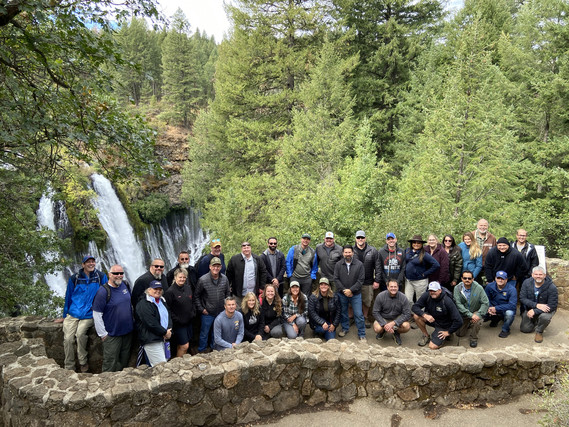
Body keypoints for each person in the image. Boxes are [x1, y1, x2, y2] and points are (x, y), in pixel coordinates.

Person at [56, 255, 108, 372]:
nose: (91, 264)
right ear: (83, 265)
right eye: (88, 262)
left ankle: (83, 362)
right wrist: (65, 316)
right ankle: (69, 366)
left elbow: (106, 293)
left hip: (89, 313)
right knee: (68, 339)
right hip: (73, 313)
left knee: (80, 334)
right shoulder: (75, 278)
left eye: (93, 262)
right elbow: (68, 297)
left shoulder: (100, 277)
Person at [92, 264, 133, 372]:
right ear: (109, 274)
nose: (119, 275)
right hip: (112, 334)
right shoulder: (103, 292)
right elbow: (97, 314)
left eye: (121, 273)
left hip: (127, 332)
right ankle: (106, 385)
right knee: (110, 362)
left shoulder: (125, 285)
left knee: (124, 361)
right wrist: (103, 334)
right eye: (115, 273)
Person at [194, 257, 231, 353]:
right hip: (207, 313)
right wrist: (202, 309)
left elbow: (227, 293)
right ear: (210, 267)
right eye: (214, 266)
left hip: (220, 312)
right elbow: (196, 296)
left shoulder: (225, 279)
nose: (216, 268)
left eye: (218, 266)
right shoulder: (203, 280)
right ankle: (201, 351)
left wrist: (226, 307)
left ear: (221, 267)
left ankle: (214, 349)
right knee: (204, 333)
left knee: (216, 333)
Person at [412, 281, 463, 349]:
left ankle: (447, 336)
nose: (432, 292)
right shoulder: (427, 295)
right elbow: (414, 307)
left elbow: (459, 321)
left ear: (440, 290)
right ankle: (426, 335)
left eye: (434, 290)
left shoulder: (447, 301)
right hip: (432, 320)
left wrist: (448, 332)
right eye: (430, 290)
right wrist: (424, 315)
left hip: (444, 325)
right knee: (416, 316)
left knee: (432, 346)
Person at [135, 280, 172, 367]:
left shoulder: (162, 300)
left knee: (163, 362)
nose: (158, 291)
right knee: (160, 366)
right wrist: (165, 332)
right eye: (155, 289)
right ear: (149, 290)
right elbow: (150, 323)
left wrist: (169, 329)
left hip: (163, 338)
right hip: (151, 339)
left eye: (160, 289)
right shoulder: (143, 304)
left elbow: (168, 315)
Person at [335, 244, 366, 340]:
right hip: (342, 293)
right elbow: (336, 279)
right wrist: (345, 290)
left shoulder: (359, 264)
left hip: (355, 294)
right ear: (343, 253)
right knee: (343, 313)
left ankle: (362, 333)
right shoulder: (338, 264)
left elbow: (361, 280)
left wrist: (351, 290)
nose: (348, 254)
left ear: (352, 253)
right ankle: (345, 328)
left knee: (358, 314)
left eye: (349, 252)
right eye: (346, 252)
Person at [519, 266, 558, 343]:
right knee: (525, 329)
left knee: (545, 317)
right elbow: (522, 298)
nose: (538, 276)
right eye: (536, 274)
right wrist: (536, 305)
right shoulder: (526, 283)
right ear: (532, 275)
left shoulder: (551, 287)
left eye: (540, 274)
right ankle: (536, 320)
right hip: (531, 308)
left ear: (544, 275)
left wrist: (535, 311)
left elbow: (552, 305)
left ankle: (539, 331)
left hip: (546, 310)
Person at [164, 268, 196, 357]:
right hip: (179, 324)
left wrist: (193, 312)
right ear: (175, 277)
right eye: (180, 277)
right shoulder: (170, 292)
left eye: (184, 277)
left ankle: (180, 359)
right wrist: (176, 319)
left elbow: (192, 301)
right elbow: (167, 309)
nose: (182, 279)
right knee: (184, 346)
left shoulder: (188, 288)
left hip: (189, 321)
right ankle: (179, 363)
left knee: (182, 345)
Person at [453, 270, 489, 348]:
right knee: (459, 334)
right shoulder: (457, 288)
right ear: (462, 279)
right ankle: (468, 323)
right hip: (464, 313)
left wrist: (478, 314)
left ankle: (474, 338)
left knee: (477, 320)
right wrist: (470, 315)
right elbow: (458, 304)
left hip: (475, 311)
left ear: (473, 279)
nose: (467, 280)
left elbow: (485, 303)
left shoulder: (479, 288)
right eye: (465, 278)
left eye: (469, 278)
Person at [353, 230, 381, 328]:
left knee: (367, 301)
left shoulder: (373, 250)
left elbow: (378, 266)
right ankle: (353, 318)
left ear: (365, 238)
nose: (360, 239)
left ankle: (365, 317)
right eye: (358, 237)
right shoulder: (351, 250)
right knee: (352, 301)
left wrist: (377, 280)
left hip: (368, 280)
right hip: (354, 281)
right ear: (355, 239)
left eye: (362, 237)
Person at [226, 241, 267, 306]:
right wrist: (229, 286)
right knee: (239, 312)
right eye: (244, 247)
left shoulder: (257, 259)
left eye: (248, 247)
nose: (246, 249)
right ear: (241, 249)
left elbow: (263, 272)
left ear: (250, 248)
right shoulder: (234, 259)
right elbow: (229, 274)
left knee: (253, 312)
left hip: (253, 294)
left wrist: (262, 286)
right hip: (238, 294)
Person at [372, 279, 411, 346]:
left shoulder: (403, 297)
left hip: (397, 319)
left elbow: (407, 314)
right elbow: (375, 312)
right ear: (387, 287)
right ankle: (383, 330)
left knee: (406, 326)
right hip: (384, 318)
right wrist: (384, 324)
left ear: (398, 287)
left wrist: (394, 323)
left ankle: (396, 332)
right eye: (391, 286)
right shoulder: (380, 296)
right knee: (377, 328)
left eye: (395, 287)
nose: (393, 288)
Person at [404, 235, 440, 306]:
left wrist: (425, 274)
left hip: (420, 281)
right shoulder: (407, 251)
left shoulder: (424, 254)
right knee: (408, 299)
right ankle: (412, 313)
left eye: (418, 243)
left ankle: (421, 315)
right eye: (414, 242)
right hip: (408, 280)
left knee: (420, 300)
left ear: (421, 244)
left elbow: (436, 265)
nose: (416, 244)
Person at [484, 271, 517, 338]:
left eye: (502, 278)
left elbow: (512, 305)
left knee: (509, 314)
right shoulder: (489, 286)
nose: (500, 280)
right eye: (498, 278)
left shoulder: (512, 289)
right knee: (482, 309)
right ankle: (495, 318)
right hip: (493, 307)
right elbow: (486, 299)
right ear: (495, 278)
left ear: (506, 280)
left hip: (505, 309)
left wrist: (496, 308)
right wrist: (490, 307)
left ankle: (505, 330)